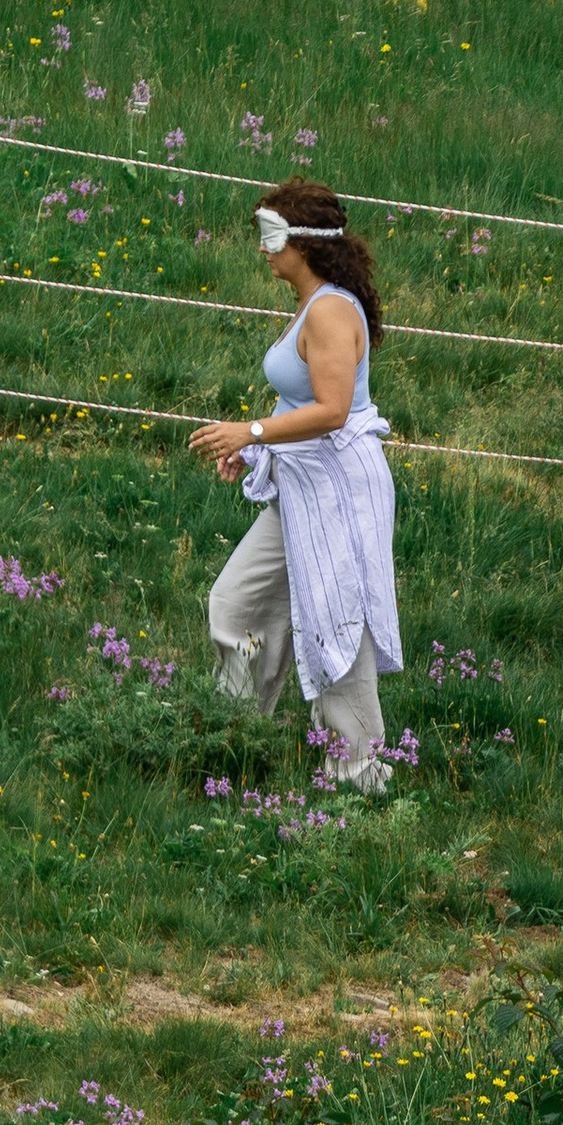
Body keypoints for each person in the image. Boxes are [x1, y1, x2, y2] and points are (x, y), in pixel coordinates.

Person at [188, 180, 402, 795]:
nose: (262, 248)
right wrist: (257, 445)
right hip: (303, 489)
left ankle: (359, 774)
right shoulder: (315, 303)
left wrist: (250, 430)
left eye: (271, 235)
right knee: (236, 606)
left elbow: (333, 409)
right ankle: (235, 734)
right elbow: (303, 401)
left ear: (303, 244)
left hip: (338, 492)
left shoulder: (332, 310)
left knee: (336, 623)